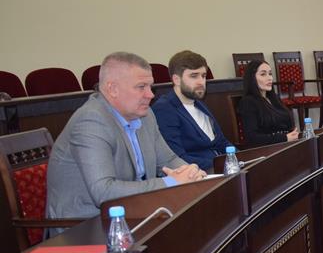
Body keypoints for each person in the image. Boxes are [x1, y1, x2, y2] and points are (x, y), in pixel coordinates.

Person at [46, 52, 205, 221]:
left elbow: (168, 159)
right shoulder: (91, 121)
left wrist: (192, 174)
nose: (150, 95)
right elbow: (104, 192)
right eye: (141, 87)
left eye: (150, 87)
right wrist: (171, 182)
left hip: (133, 210)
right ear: (113, 89)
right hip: (84, 223)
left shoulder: (145, 115)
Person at [152, 50, 233, 171]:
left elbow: (221, 142)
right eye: (194, 76)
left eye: (203, 76)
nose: (201, 82)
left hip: (220, 168)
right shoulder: (164, 109)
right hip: (198, 173)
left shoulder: (199, 104)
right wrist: (221, 165)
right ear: (176, 79)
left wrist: (240, 158)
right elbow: (176, 157)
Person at [237, 59, 299, 145]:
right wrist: (285, 138)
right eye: (263, 74)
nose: (269, 78)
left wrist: (292, 134)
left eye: (270, 74)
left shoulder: (274, 98)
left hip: (286, 145)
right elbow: (252, 138)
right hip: (268, 149)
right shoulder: (248, 102)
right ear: (252, 78)